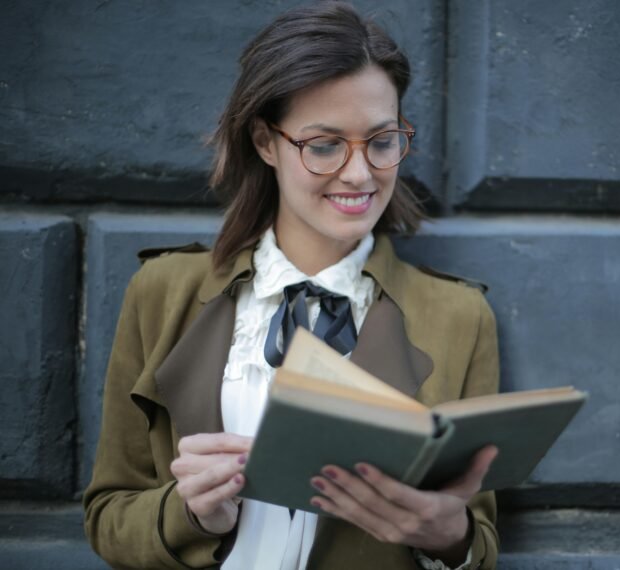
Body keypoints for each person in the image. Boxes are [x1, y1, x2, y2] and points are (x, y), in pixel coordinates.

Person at [82, 2, 500, 569]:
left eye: (382, 140)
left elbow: (478, 542)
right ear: (265, 141)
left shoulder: (459, 315)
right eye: (324, 145)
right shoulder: (161, 292)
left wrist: (449, 536)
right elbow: (109, 515)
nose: (359, 173)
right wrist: (191, 513)